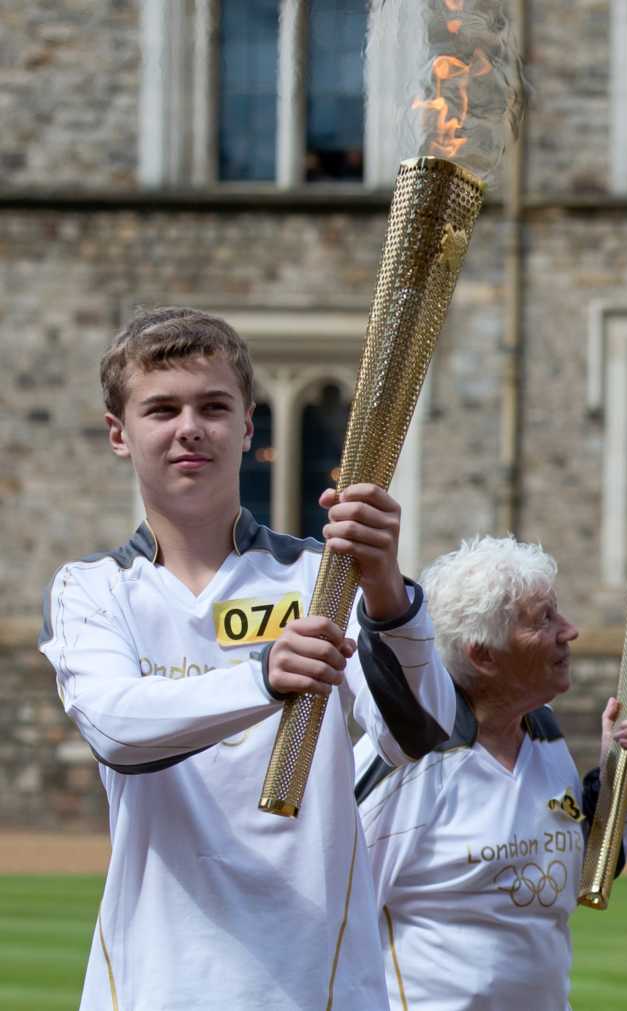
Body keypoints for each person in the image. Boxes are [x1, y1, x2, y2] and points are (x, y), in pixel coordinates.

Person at [38, 307, 457, 1009]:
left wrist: (386, 590)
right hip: (156, 981)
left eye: (213, 406)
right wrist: (262, 676)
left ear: (248, 426)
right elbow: (116, 726)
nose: (190, 428)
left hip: (316, 980)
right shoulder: (94, 590)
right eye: (162, 409)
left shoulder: (320, 577)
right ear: (120, 433)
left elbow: (420, 733)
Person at [353, 534, 627, 1011]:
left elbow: (572, 877)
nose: (570, 630)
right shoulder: (405, 760)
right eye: (544, 619)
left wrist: (615, 786)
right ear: (484, 655)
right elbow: (329, 909)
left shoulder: (543, 732)